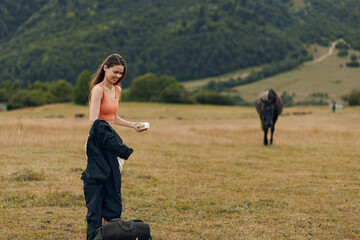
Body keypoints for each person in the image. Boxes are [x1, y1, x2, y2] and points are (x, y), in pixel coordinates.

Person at [81, 53, 146, 240]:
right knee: (99, 183)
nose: (117, 76)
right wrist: (107, 136)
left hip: (112, 143)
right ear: (105, 68)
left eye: (120, 74)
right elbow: (93, 121)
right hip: (98, 144)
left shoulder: (117, 90)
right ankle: (96, 231)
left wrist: (133, 125)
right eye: (115, 72)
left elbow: (113, 118)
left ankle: (108, 230)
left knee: (112, 185)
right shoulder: (98, 90)